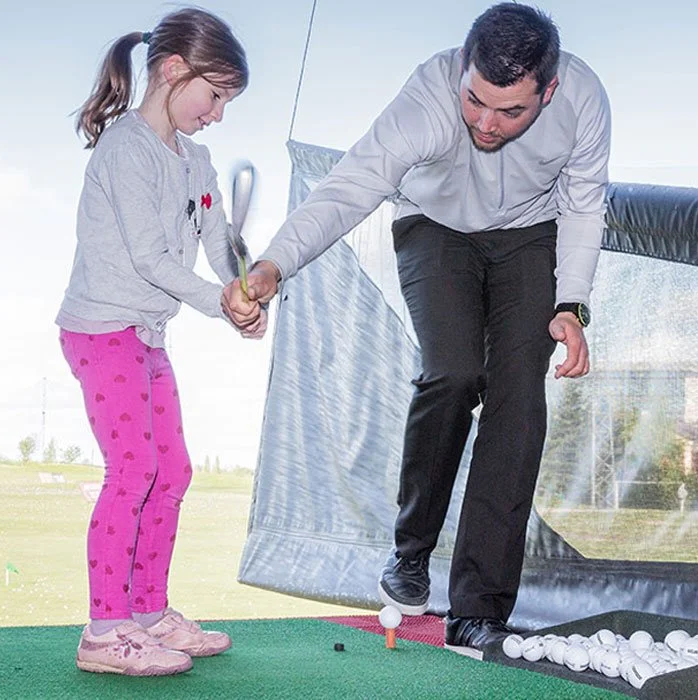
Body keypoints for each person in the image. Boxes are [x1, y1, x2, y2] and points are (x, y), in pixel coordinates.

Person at [224, 2, 610, 658]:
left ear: (548, 90)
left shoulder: (583, 101)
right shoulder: (427, 101)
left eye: (510, 111)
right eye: (476, 102)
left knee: (518, 398)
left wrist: (571, 304)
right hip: (434, 229)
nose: (486, 124)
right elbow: (349, 188)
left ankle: (478, 611)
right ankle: (410, 554)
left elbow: (583, 204)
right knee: (456, 370)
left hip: (529, 237)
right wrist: (272, 266)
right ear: (463, 70)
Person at [57, 8, 264, 676]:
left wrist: (245, 279)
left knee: (172, 470)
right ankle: (104, 630)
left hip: (145, 335)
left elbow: (217, 238)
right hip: (101, 328)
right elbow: (150, 257)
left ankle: (147, 613)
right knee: (134, 470)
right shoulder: (127, 149)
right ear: (173, 70)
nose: (218, 114)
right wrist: (215, 303)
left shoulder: (196, 162)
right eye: (216, 96)